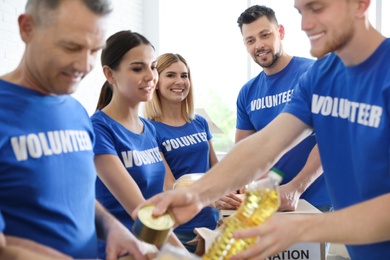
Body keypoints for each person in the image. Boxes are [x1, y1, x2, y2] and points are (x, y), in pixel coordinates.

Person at [133, 0, 390, 259]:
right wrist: (196, 194)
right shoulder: (320, 77)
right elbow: (266, 144)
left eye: (317, 8)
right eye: (301, 11)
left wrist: (302, 226)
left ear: (360, 5)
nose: (305, 24)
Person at [0, 0, 148, 259]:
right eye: (71, 47)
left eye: (94, 50)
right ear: (27, 28)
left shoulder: (77, 112)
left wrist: (111, 226)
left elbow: (76, 199)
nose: (84, 65)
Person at [91, 31, 184, 259]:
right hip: (119, 252)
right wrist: (183, 255)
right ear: (109, 74)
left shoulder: (149, 129)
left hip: (150, 248)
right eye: (137, 68)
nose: (151, 76)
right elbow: (142, 211)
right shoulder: (98, 129)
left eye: (152, 67)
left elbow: (158, 201)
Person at [235, 5, 331, 212]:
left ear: (281, 32)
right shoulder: (247, 92)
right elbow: (243, 155)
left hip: (315, 199)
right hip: (266, 202)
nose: (259, 45)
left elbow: (331, 139)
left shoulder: (314, 73)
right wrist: (233, 188)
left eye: (265, 35)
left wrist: (295, 189)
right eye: (250, 40)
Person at [143, 53, 223, 252]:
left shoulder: (199, 122)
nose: (180, 81)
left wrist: (226, 206)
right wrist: (209, 199)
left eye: (184, 75)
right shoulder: (149, 130)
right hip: (180, 229)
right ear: (156, 81)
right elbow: (169, 185)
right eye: (170, 75)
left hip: (211, 222)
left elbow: (218, 171)